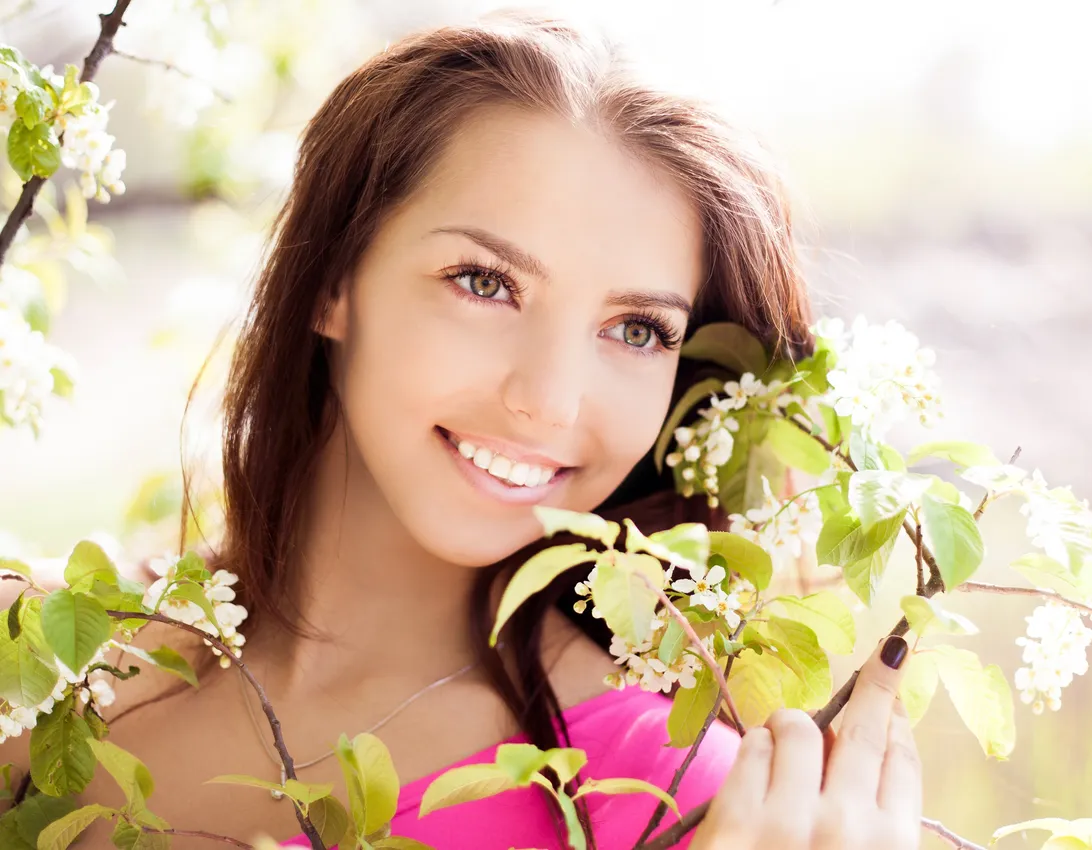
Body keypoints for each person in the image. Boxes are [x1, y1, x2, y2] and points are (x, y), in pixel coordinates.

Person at [1, 11, 922, 849]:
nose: (549, 399)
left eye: (636, 330)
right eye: (485, 282)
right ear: (333, 279)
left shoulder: (661, 795)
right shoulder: (48, 656)